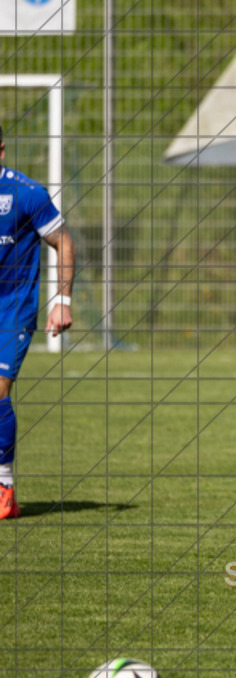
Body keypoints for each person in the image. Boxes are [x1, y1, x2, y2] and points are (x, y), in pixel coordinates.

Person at [0, 124, 76, 520]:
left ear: (1, 151)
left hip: (12, 309)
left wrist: (61, 300)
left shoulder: (27, 194)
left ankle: (4, 487)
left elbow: (63, 241)